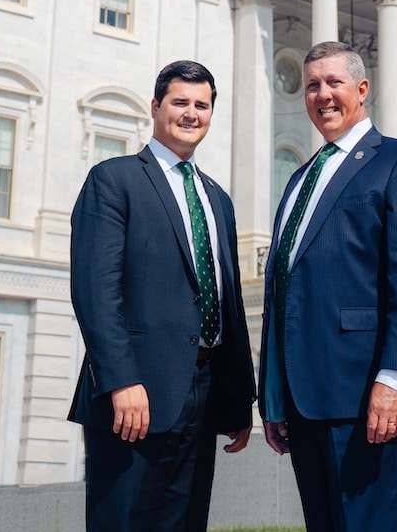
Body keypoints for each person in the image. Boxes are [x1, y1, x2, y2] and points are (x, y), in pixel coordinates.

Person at [259, 40, 397, 532]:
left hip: (363, 391)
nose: (322, 94)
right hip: (302, 398)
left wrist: (396, 378)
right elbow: (284, 293)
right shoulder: (299, 179)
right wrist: (274, 395)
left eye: (334, 82)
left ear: (361, 89)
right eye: (312, 85)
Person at [69, 60, 255, 532]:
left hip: (205, 393)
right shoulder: (114, 180)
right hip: (134, 395)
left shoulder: (217, 199)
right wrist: (121, 381)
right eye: (180, 103)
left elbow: (227, 304)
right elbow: (96, 291)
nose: (191, 114)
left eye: (202, 105)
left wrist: (236, 400)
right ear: (155, 107)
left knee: (186, 522)